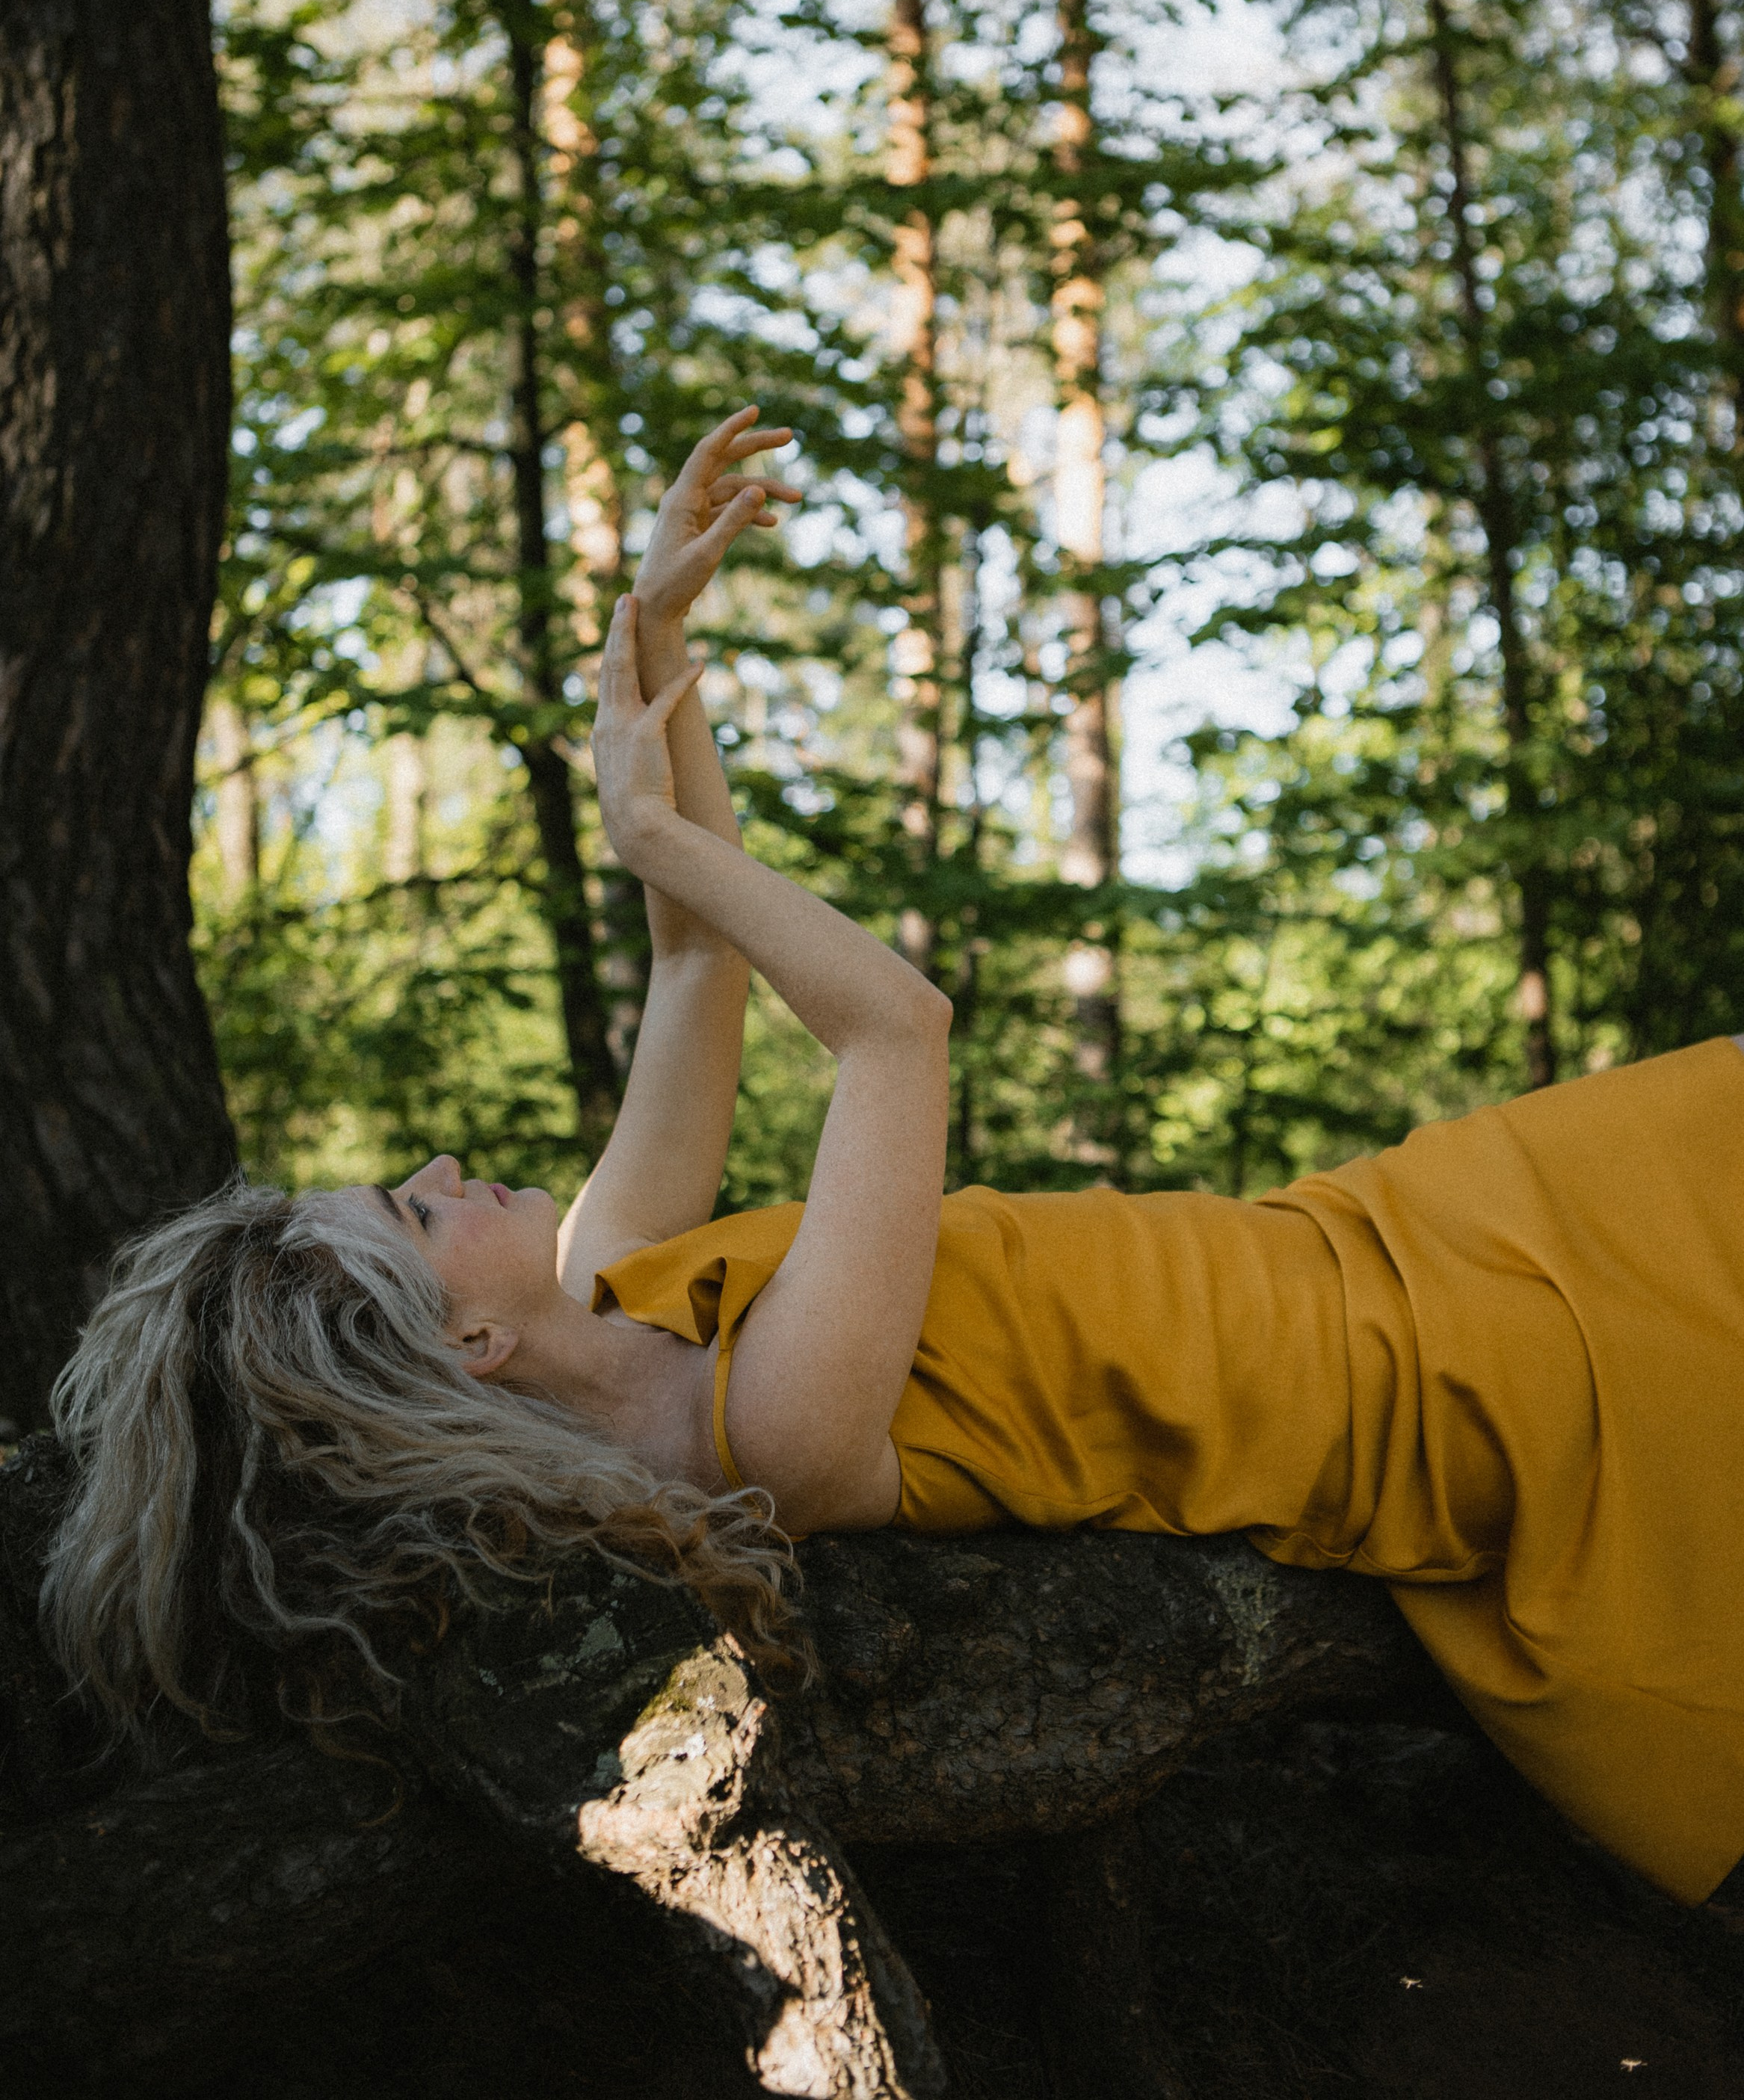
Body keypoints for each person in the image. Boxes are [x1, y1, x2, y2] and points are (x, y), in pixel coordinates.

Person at [43, 411, 1744, 1909]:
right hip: (1423, 1370)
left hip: (1379, 1234)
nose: (441, 1164)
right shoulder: (759, 1438)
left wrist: (652, 639)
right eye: (418, 1214)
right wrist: (643, 830)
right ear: (469, 1344)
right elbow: (894, 1030)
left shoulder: (615, 1279)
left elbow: (695, 964)